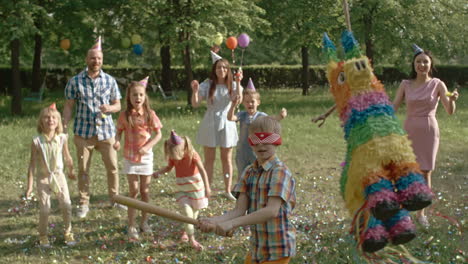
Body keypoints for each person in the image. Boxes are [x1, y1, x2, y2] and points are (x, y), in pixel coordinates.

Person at [199, 116, 296, 264]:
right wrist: (213, 220)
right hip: (257, 247)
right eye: (256, 140)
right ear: (250, 142)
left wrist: (232, 224)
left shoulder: (280, 172)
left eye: (267, 139)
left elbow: (271, 211)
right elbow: (239, 210)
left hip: (278, 249)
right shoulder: (248, 172)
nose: (261, 144)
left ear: (277, 141)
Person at [392, 44, 459, 227]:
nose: (422, 65)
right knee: (406, 170)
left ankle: (421, 213)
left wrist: (452, 101)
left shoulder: (438, 84)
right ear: (414, 64)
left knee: (425, 171)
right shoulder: (405, 84)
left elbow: (450, 111)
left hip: (429, 129)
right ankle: (404, 209)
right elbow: (394, 107)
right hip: (409, 128)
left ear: (431, 65)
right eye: (418, 61)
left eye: (425, 62)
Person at [63, 36, 126, 218]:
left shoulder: (110, 81)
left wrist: (110, 108)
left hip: (106, 132)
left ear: (102, 60)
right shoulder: (75, 81)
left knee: (113, 167)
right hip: (83, 133)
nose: (95, 61)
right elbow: (68, 105)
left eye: (98, 58)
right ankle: (83, 203)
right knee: (83, 170)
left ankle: (115, 199)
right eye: (92, 58)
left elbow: (118, 105)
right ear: (86, 59)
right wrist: (64, 124)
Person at [114, 77, 163, 240]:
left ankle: (144, 222)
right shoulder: (124, 115)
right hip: (130, 157)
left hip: (145, 158)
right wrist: (116, 141)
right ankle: (131, 224)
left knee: (145, 191)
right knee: (133, 191)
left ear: (145, 97)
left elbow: (159, 134)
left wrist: (147, 147)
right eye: (134, 95)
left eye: (141, 95)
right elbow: (119, 131)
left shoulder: (150, 114)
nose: (138, 98)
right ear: (129, 97)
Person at [190, 50, 242, 201]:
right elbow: (195, 104)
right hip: (210, 122)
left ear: (228, 70)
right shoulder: (207, 85)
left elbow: (237, 100)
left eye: (225, 68)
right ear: (214, 70)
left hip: (227, 121)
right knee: (209, 159)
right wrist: (195, 91)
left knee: (226, 158)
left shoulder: (232, 84)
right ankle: (208, 188)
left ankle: (227, 189)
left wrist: (238, 81)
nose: (222, 70)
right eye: (219, 67)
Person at [25, 103, 76, 247]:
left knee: (66, 204)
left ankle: (68, 232)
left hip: (59, 176)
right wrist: (29, 187)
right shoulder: (37, 141)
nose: (50, 120)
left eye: (54, 117)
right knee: (45, 208)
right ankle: (43, 235)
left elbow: (67, 156)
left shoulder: (62, 138)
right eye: (47, 118)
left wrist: (71, 170)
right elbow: (32, 165)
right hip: (43, 178)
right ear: (41, 121)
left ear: (58, 121)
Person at [153, 130, 211, 250]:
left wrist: (207, 187)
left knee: (193, 215)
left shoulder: (192, 154)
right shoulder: (174, 156)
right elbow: (169, 167)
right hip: (182, 189)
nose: (173, 158)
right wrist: (159, 172)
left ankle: (187, 231)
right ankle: (192, 239)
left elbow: (202, 171)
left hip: (196, 188)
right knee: (187, 213)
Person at [227, 78, 287, 180]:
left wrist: (280, 116)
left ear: (258, 102)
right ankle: (242, 193)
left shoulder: (261, 115)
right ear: (243, 103)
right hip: (242, 151)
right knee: (242, 174)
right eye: (246, 102)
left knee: (258, 172)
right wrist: (233, 105)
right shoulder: (242, 115)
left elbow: (272, 120)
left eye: (252, 101)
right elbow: (230, 118)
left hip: (256, 150)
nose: (249, 104)